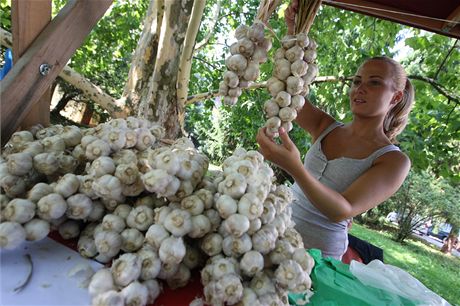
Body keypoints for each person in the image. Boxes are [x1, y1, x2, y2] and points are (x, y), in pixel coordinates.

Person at [256, 56, 415, 259]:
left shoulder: (394, 161)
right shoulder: (325, 125)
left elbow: (342, 210)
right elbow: (284, 87)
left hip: (316, 256)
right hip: (273, 231)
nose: (360, 88)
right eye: (357, 81)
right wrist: (295, 33)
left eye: (374, 82)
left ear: (396, 98)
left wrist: (294, 167)